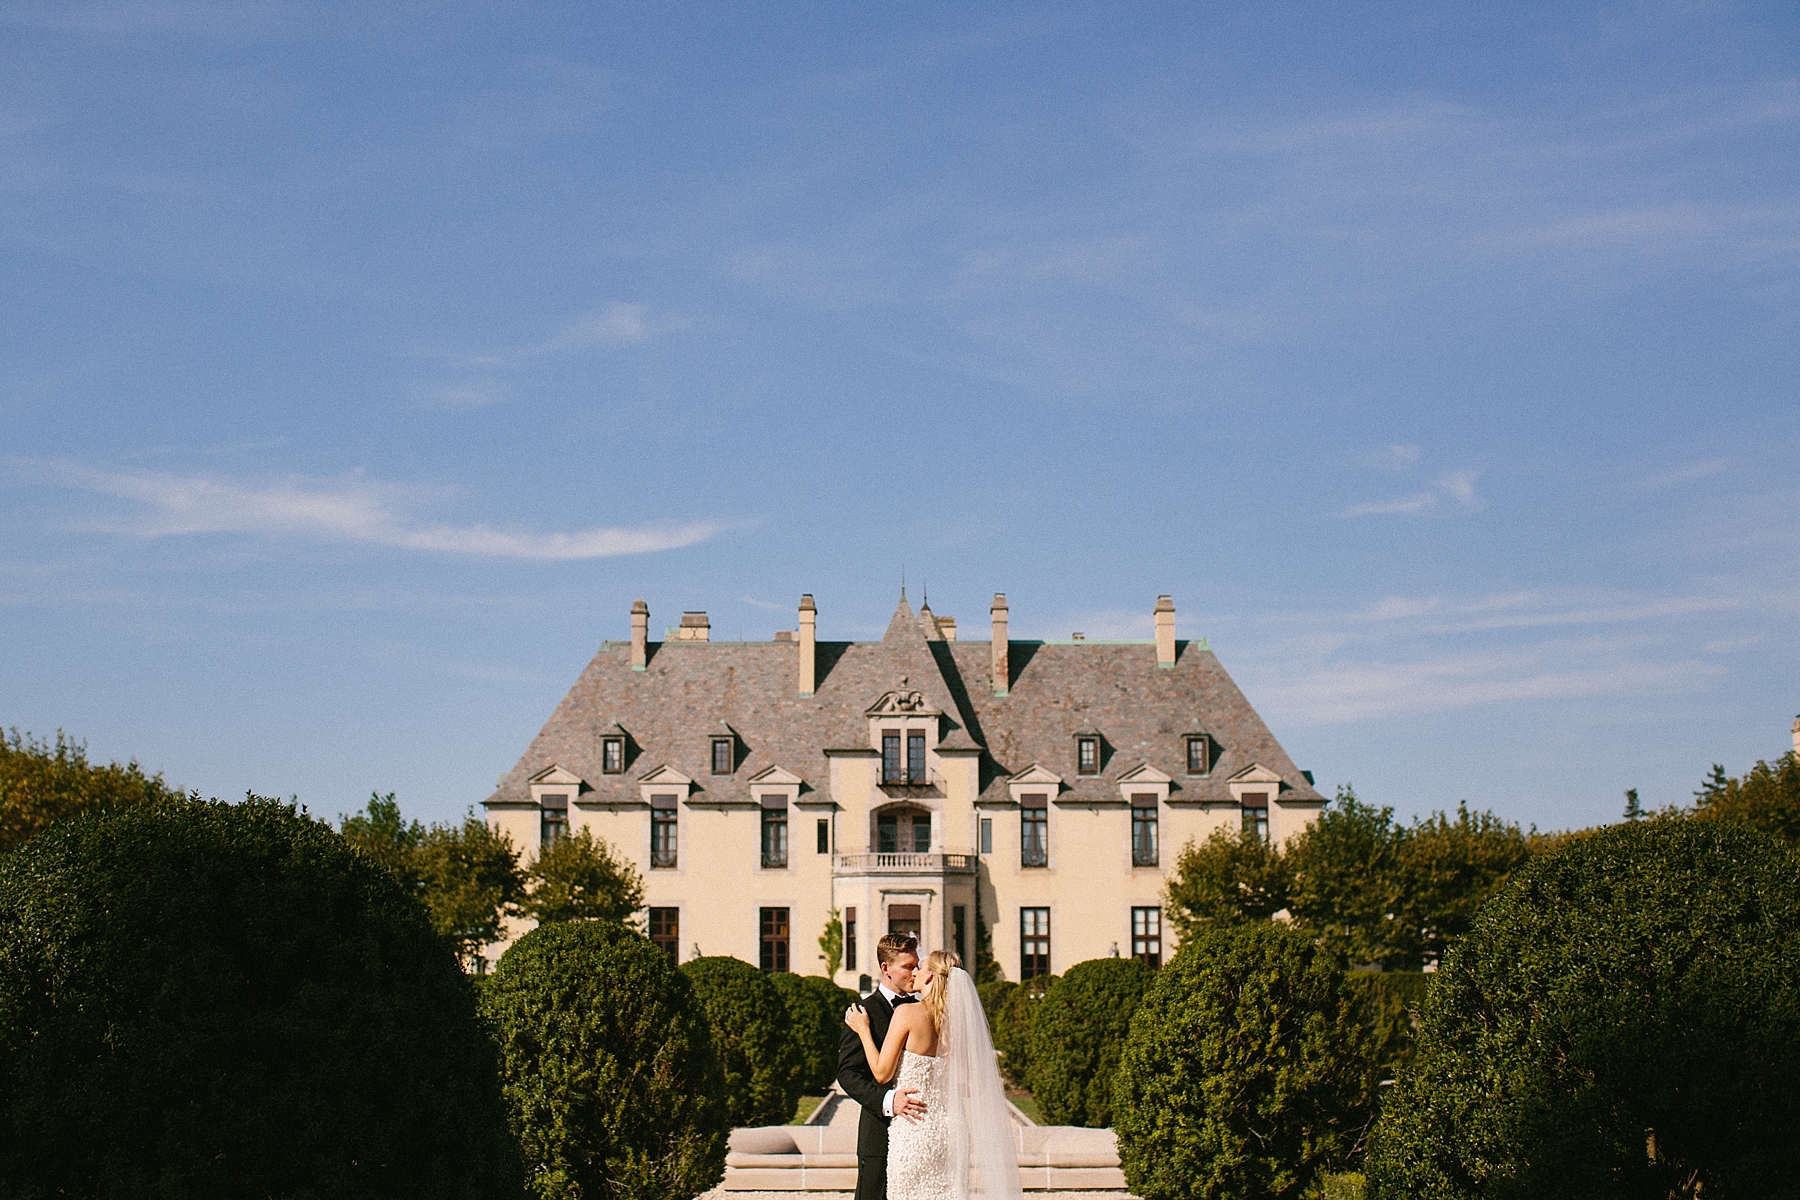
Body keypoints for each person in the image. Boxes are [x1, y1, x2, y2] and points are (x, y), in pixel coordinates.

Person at [844, 947, 1024, 1200]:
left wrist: (863, 1030)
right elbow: (973, 1087)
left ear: (930, 977)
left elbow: (882, 1074)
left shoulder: (907, 1013)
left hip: (915, 1128)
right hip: (952, 1130)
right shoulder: (957, 1022)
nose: (915, 972)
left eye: (921, 967)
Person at [836, 935, 930, 1200]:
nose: (915, 972)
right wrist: (888, 1100)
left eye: (917, 965)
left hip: (921, 1130)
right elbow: (848, 1073)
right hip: (877, 1133)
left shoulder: (923, 1010)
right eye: (908, 966)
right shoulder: (861, 1013)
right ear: (886, 968)